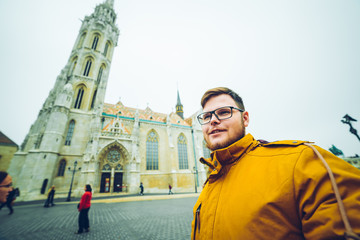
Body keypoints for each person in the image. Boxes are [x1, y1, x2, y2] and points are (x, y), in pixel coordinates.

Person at [191, 87, 360, 239]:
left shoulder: (299, 160)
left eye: (223, 112)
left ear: (245, 119)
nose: (213, 120)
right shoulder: (210, 183)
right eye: (206, 116)